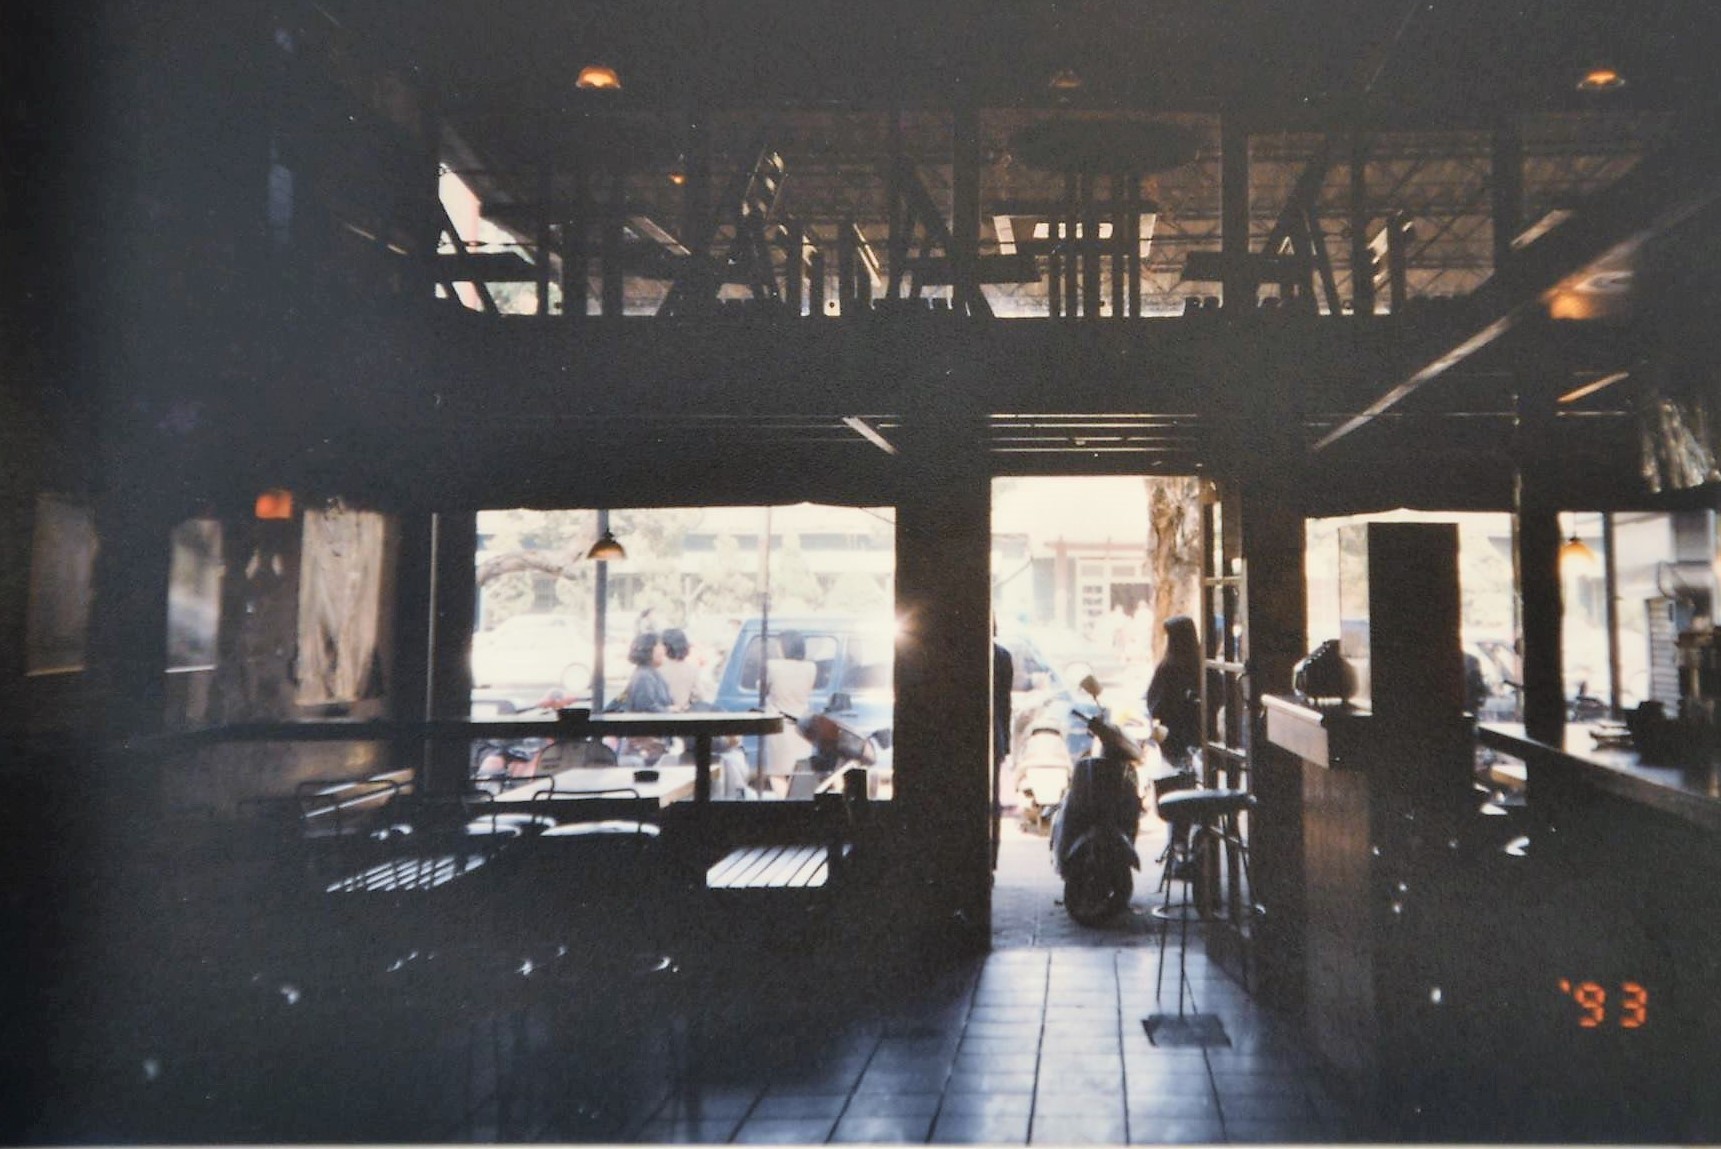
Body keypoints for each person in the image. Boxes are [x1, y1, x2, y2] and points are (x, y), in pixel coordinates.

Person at [762, 632, 816, 797]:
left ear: (784, 647)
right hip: (802, 727)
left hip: (779, 727)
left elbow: (763, 688)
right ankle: (799, 803)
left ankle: (787, 803)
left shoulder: (772, 666)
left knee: (776, 774)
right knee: (799, 773)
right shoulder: (811, 668)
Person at [1145, 615, 1202, 772]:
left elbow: (1155, 705)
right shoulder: (1202, 666)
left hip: (1173, 739)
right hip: (1199, 739)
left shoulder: (1168, 669)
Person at [617, 630, 673, 764]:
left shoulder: (650, 673)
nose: (664, 650)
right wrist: (669, 711)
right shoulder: (644, 676)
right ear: (649, 650)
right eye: (659, 646)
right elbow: (646, 707)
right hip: (646, 748)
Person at [992, 636, 1014, 870]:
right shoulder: (1002, 656)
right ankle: (992, 857)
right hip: (995, 734)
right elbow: (1005, 703)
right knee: (993, 798)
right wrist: (1005, 741)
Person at [658, 627, 703, 710]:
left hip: (662, 713)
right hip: (683, 713)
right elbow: (698, 696)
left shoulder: (657, 668)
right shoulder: (692, 669)